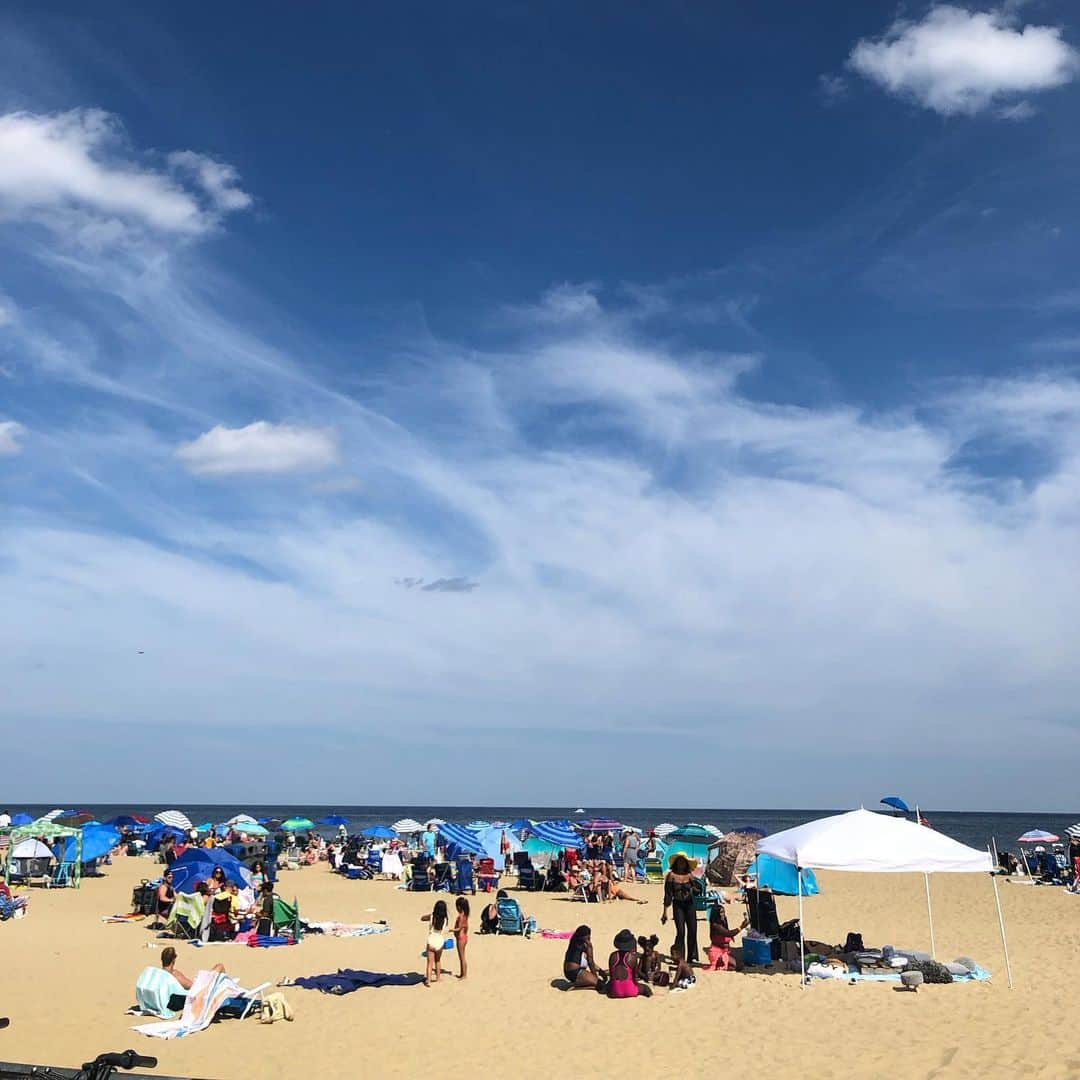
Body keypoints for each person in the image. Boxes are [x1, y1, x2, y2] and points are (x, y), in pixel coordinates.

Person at [662, 853, 699, 963]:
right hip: (678, 905)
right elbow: (667, 895)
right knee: (681, 932)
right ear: (676, 863)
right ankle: (679, 957)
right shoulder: (671, 876)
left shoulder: (690, 875)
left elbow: (697, 890)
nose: (681, 864)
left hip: (690, 905)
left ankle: (691, 956)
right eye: (679, 862)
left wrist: (694, 889)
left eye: (683, 862)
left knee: (692, 930)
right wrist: (664, 913)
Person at [607, 929, 652, 998]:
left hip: (615, 992)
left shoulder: (612, 956)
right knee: (645, 988)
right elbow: (635, 978)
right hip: (630, 991)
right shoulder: (632, 958)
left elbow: (612, 977)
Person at [705, 901, 747, 971]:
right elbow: (729, 933)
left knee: (740, 964)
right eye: (721, 912)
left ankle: (723, 965)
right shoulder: (715, 925)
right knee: (738, 966)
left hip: (725, 952)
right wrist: (741, 927)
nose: (723, 914)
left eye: (723, 912)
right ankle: (720, 965)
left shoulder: (723, 922)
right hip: (717, 953)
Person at [563, 925, 602, 990]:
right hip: (576, 972)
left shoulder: (574, 941)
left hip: (567, 972)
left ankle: (579, 983)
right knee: (600, 985)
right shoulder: (586, 944)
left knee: (595, 981)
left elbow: (589, 961)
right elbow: (590, 962)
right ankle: (576, 987)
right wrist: (595, 977)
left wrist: (600, 970)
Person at [421, 899, 449, 986]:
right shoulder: (445, 919)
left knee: (430, 963)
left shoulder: (432, 916)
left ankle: (428, 980)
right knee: (438, 960)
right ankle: (438, 977)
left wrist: (428, 916)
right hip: (440, 941)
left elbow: (422, 918)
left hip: (431, 940)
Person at [453, 896, 470, 979]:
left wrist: (452, 930)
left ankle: (464, 975)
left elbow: (459, 928)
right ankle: (462, 973)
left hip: (461, 938)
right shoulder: (466, 915)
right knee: (462, 956)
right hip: (464, 937)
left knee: (462, 957)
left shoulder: (461, 916)